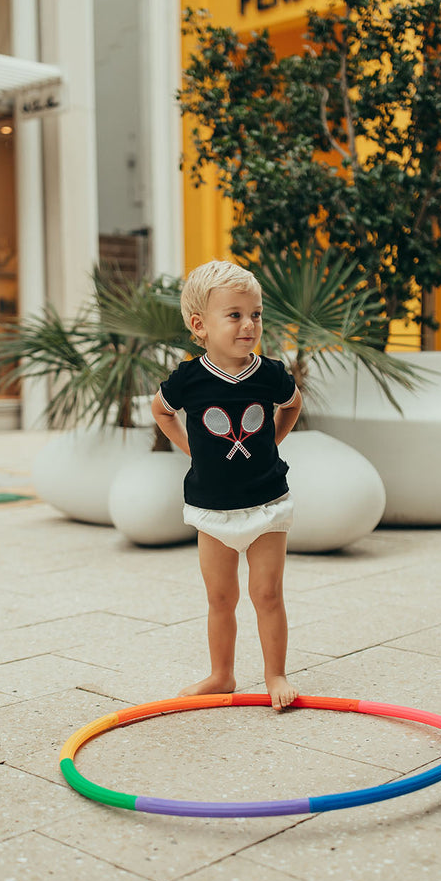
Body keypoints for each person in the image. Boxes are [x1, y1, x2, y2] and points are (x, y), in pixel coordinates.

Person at [151, 260, 302, 710]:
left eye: (255, 314)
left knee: (267, 593)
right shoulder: (189, 378)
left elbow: (292, 405)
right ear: (200, 324)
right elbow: (160, 410)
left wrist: (270, 441)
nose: (248, 324)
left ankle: (275, 673)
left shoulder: (269, 372)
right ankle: (222, 675)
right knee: (220, 596)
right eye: (234, 315)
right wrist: (192, 450)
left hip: (265, 503)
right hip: (212, 508)